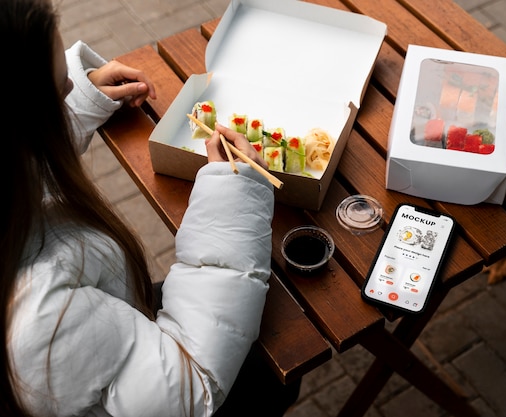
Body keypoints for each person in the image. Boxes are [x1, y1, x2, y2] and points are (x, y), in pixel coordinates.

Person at [1, 0, 299, 415]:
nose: (72, 83)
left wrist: (75, 105)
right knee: (284, 360)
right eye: (59, 87)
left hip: (114, 334)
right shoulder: (46, 322)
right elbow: (192, 390)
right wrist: (234, 197)